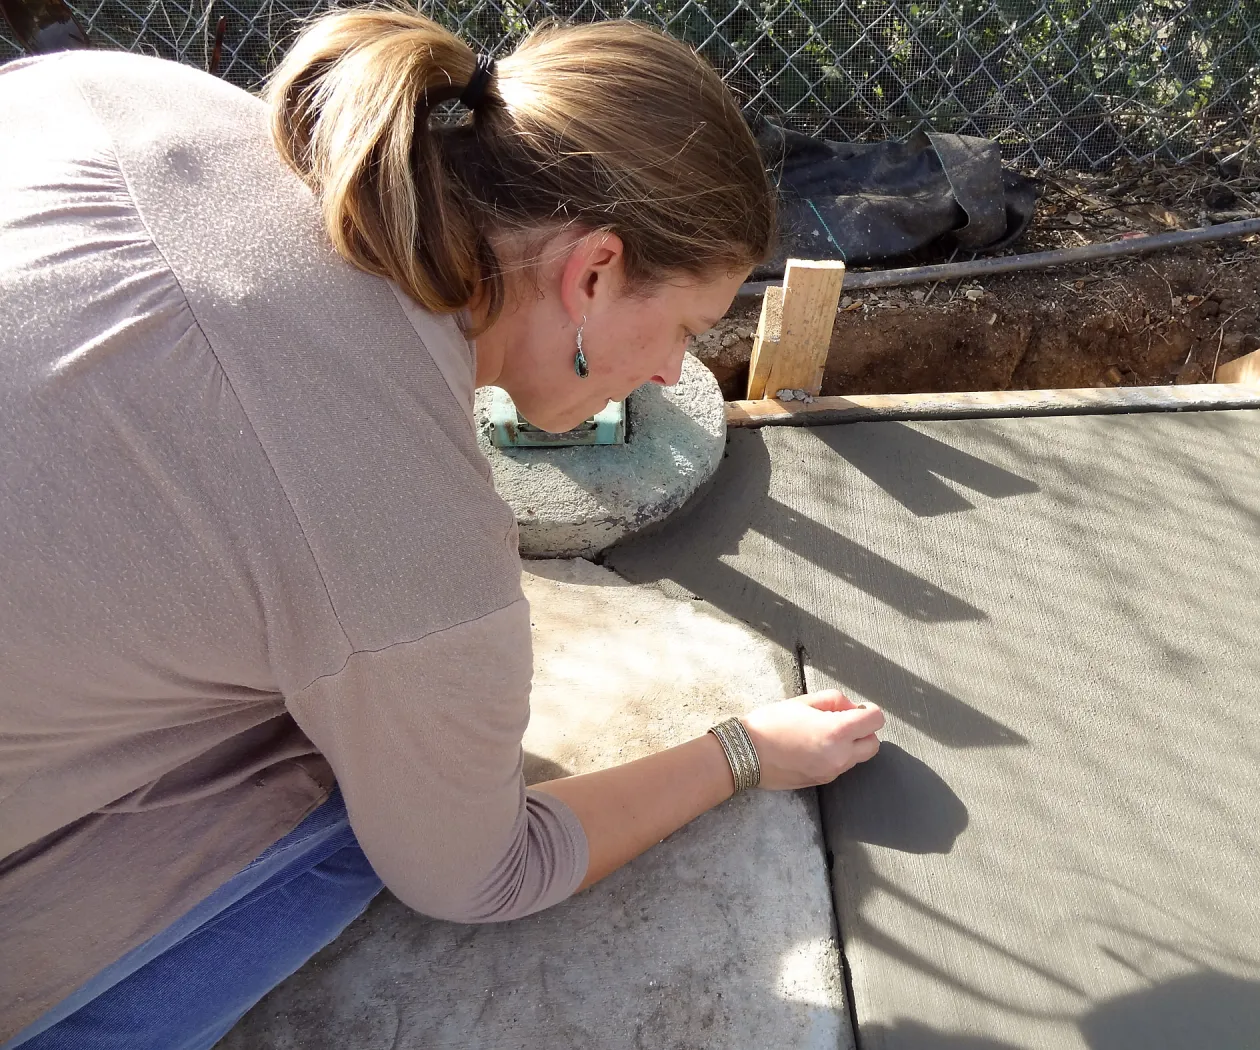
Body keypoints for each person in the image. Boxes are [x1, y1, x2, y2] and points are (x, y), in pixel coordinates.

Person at [0, 7, 885, 1047]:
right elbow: (486, 872)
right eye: (684, 328)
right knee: (361, 792)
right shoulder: (411, 547)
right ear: (592, 272)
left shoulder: (121, 91)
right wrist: (740, 751)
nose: (667, 373)